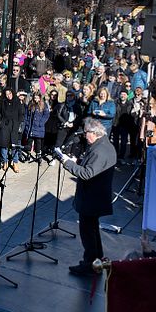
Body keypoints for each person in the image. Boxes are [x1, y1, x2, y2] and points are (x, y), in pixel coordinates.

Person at [60, 118, 117, 276]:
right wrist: (77, 161)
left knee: (87, 233)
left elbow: (87, 173)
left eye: (86, 133)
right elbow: (91, 165)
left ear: (95, 133)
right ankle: (97, 260)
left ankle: (89, 264)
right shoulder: (103, 145)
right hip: (95, 197)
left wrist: (68, 163)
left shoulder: (100, 150)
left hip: (92, 198)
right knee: (93, 230)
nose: (85, 136)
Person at [0, 88, 25, 172]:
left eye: (10, 93)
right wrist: (0, 122)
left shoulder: (17, 102)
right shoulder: (2, 102)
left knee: (14, 145)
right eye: (7, 94)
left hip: (14, 125)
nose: (9, 96)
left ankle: (15, 162)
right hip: (5, 125)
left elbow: (21, 114)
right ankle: (5, 162)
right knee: (4, 145)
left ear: (13, 93)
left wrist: (18, 123)